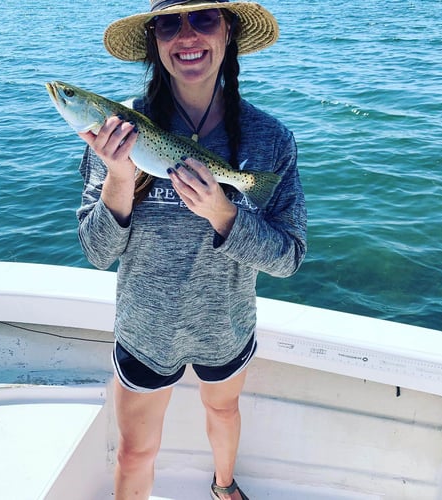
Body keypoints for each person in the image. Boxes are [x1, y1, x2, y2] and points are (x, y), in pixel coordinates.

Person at [76, 1, 307, 498]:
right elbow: (97, 253)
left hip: (224, 324)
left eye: (203, 19)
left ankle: (225, 486)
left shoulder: (271, 141)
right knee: (136, 452)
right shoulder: (118, 130)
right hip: (144, 328)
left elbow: (288, 259)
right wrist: (119, 177)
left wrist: (223, 213)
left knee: (223, 410)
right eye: (169, 23)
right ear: (154, 43)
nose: (187, 36)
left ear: (229, 34)